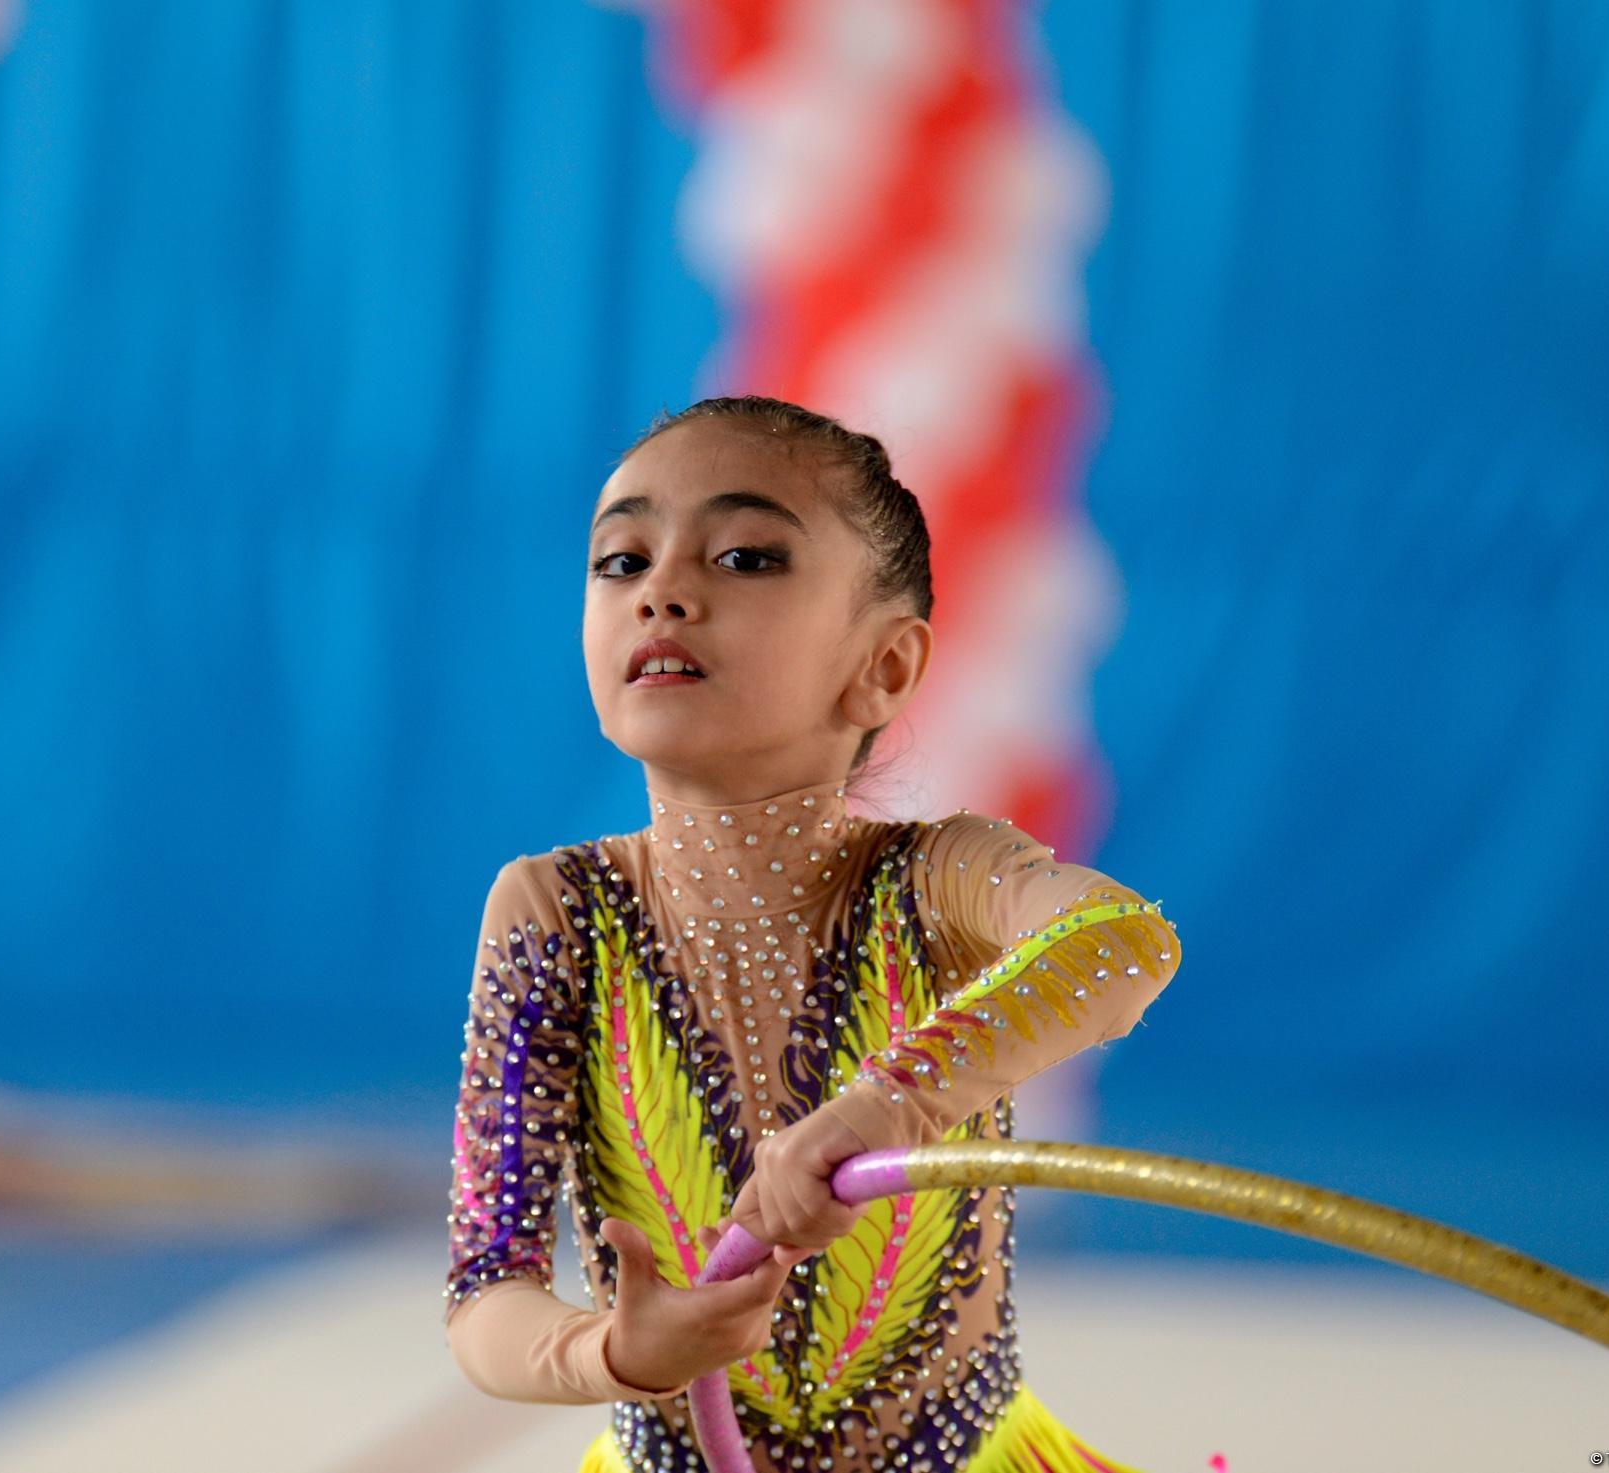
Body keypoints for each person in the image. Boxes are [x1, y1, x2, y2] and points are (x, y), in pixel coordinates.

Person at [444, 395, 1183, 1473]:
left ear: (883, 667)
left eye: (745, 557)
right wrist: (610, 1350)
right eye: (621, 560)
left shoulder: (935, 880)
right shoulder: (559, 912)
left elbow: (1122, 944)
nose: (662, 591)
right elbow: (483, 1293)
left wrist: (893, 1102)